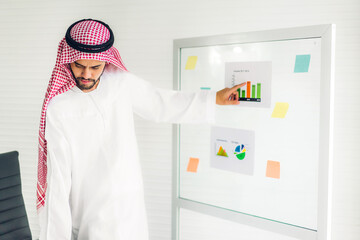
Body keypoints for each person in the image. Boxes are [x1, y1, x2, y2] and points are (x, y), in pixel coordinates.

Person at [37, 19, 245, 240]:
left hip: (129, 208)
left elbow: (161, 103)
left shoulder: (120, 83)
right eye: (79, 65)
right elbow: (58, 184)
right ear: (68, 59)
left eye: (95, 67)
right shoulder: (59, 107)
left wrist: (213, 99)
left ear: (106, 62)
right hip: (89, 214)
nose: (86, 74)